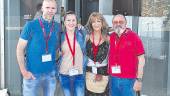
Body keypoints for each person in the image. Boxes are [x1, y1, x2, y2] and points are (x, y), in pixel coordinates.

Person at [16, 0, 61, 96]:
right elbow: (19, 49)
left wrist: (79, 27)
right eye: (47, 7)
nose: (50, 10)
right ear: (42, 8)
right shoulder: (30, 25)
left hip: (51, 74)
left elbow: (62, 45)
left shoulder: (58, 27)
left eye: (53, 8)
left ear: (56, 10)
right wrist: (24, 72)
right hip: (32, 74)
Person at [108, 14, 145, 96]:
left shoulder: (134, 37)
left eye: (121, 22)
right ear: (112, 24)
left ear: (126, 23)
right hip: (113, 78)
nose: (118, 24)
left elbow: (141, 59)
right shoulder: (111, 36)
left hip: (129, 80)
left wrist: (139, 80)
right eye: (115, 22)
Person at [58, 11, 86, 96]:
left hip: (79, 73)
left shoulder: (82, 34)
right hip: (64, 73)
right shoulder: (60, 35)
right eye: (68, 20)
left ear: (77, 22)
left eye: (73, 20)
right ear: (64, 22)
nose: (71, 23)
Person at [85, 12, 110, 96]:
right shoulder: (87, 36)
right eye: (93, 21)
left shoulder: (108, 38)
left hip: (103, 71)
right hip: (89, 71)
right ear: (90, 24)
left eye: (98, 21)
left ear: (102, 23)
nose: (96, 24)